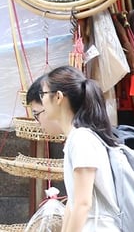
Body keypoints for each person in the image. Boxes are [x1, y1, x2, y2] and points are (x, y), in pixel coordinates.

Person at [26, 66, 120, 231]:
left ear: (59, 97)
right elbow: (73, 202)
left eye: (43, 95)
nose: (42, 102)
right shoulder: (76, 138)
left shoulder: (81, 138)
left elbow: (82, 204)